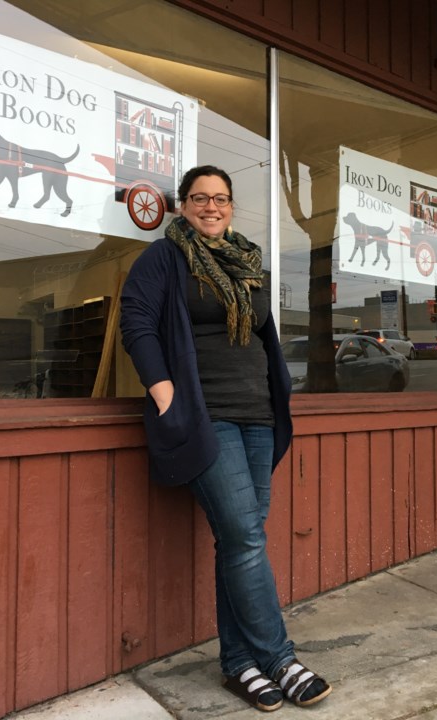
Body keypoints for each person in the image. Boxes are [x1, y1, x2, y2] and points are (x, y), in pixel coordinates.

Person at [120, 166, 332, 712]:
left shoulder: (247, 259)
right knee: (244, 537)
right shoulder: (165, 257)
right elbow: (137, 322)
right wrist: (166, 394)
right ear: (182, 205)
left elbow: (263, 331)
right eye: (199, 198)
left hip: (257, 414)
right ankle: (279, 658)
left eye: (221, 199)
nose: (210, 207)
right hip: (205, 413)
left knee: (238, 542)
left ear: (231, 206)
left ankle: (239, 665)